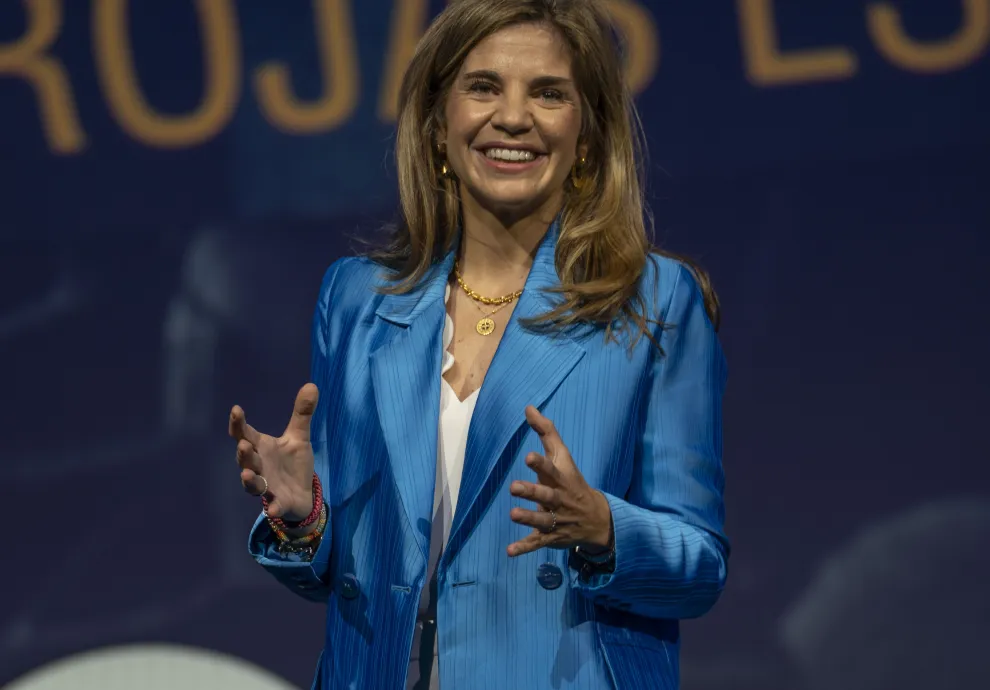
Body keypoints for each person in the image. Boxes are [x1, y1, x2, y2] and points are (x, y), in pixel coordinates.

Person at [228, 1, 728, 688]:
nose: (513, 117)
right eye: (484, 86)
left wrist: (603, 528)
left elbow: (700, 566)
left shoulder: (655, 303)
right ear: (439, 124)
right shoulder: (358, 300)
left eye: (548, 93)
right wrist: (305, 519)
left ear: (586, 133)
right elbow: (350, 577)